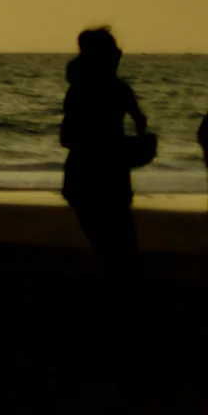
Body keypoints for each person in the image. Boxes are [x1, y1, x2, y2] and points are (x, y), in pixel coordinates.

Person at [58, 26, 152, 304]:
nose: (118, 55)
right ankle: (120, 277)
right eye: (113, 51)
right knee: (114, 223)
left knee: (103, 221)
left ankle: (117, 277)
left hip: (91, 163)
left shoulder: (80, 88)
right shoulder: (113, 88)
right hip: (107, 164)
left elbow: (68, 133)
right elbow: (140, 122)